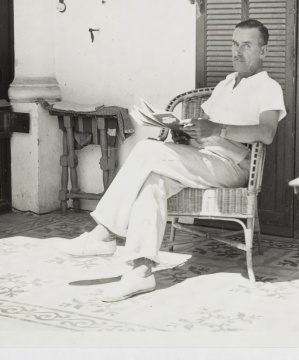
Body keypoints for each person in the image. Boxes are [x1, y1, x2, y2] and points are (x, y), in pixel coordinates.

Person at [53, 19, 286, 302]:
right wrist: (186, 134)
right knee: (153, 181)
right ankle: (141, 272)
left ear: (264, 51)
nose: (237, 52)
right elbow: (205, 126)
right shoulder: (226, 84)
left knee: (146, 151)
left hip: (234, 163)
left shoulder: (268, 86)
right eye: (234, 44)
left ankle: (104, 234)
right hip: (203, 157)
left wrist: (218, 130)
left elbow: (267, 132)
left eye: (246, 45)